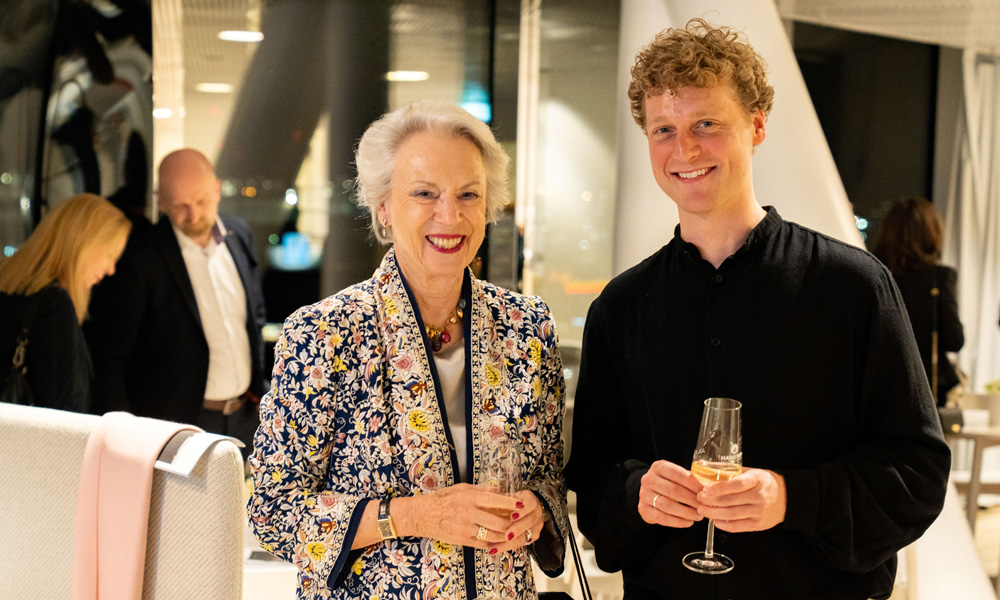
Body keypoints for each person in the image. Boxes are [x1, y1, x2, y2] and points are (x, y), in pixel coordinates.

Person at [565, 19, 950, 600]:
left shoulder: (855, 287)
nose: (684, 149)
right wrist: (633, 493)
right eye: (664, 129)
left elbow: (917, 474)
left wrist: (793, 498)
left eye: (707, 124)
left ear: (758, 126)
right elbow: (591, 482)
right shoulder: (620, 307)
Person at [248, 100, 568, 599]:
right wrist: (415, 515)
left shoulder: (527, 328)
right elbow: (273, 509)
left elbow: (548, 474)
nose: (450, 215)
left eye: (468, 194)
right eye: (424, 193)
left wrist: (538, 508)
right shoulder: (324, 334)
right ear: (384, 208)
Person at [85, 148, 266, 453]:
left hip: (247, 415)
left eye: (201, 201)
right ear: (161, 200)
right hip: (177, 424)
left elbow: (255, 317)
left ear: (218, 190)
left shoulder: (240, 234)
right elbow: (111, 358)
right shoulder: (140, 256)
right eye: (181, 205)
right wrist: (125, 436)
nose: (193, 215)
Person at [0, 193, 130, 412]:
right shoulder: (54, 305)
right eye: (110, 255)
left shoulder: (8, 284)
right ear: (84, 245)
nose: (111, 270)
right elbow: (64, 409)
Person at [873, 196, 965, 405]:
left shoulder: (875, 275)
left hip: (880, 387)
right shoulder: (939, 277)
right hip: (924, 389)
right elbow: (954, 340)